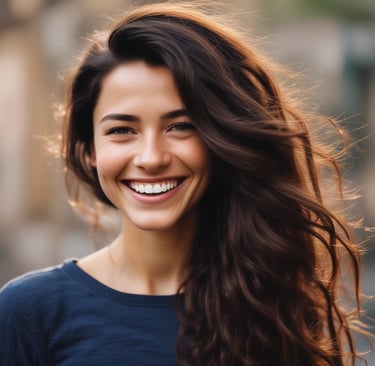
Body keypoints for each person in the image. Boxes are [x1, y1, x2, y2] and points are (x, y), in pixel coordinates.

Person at [0, 2, 369, 365]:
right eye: (122, 130)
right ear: (90, 149)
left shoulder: (269, 301)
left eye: (180, 126)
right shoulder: (29, 313)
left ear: (219, 140)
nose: (151, 157)